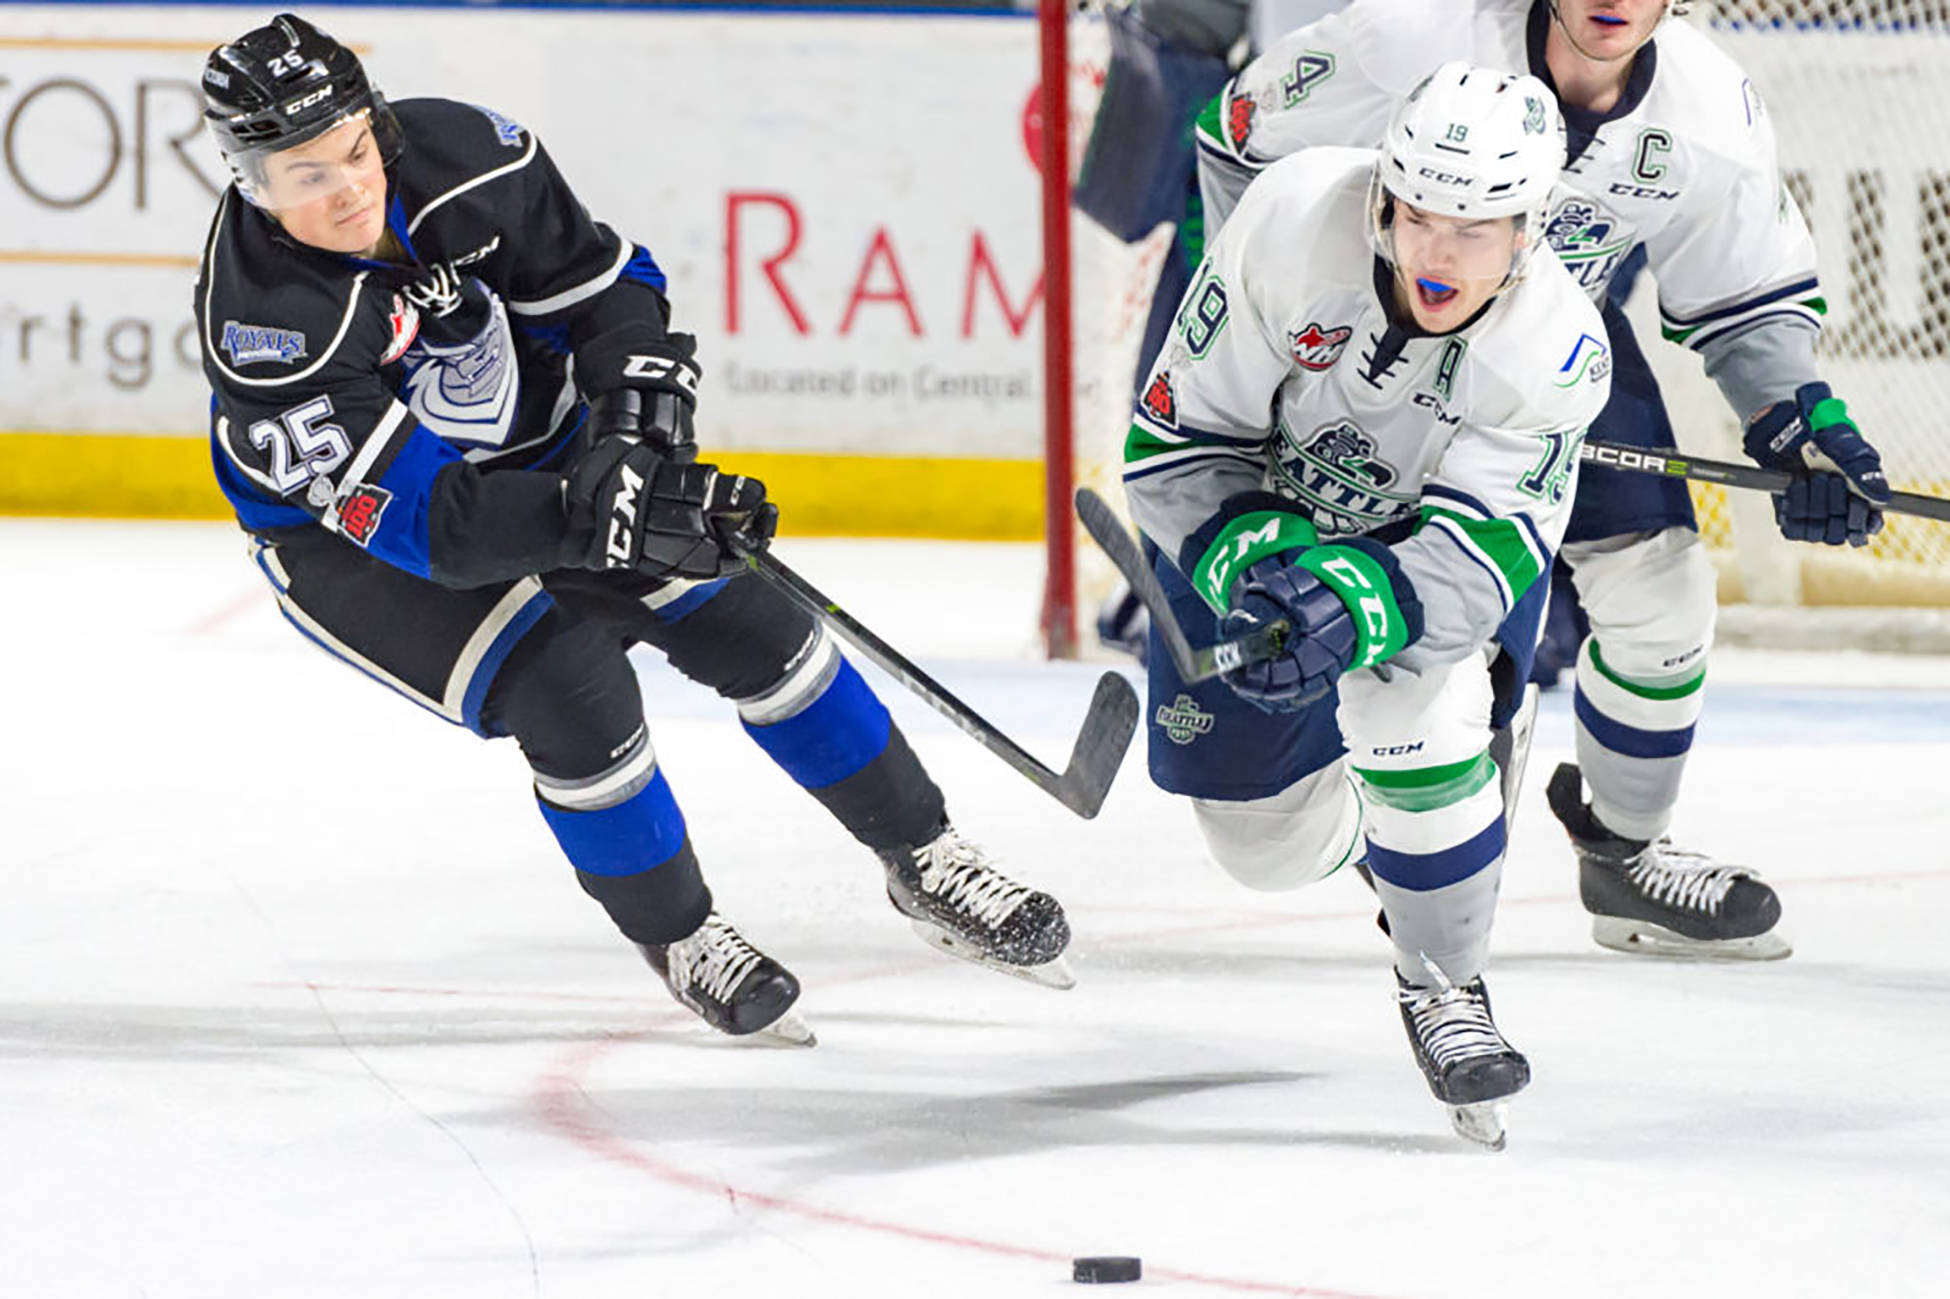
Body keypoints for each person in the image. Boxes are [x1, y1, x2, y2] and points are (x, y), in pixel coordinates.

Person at [193, 13, 1074, 1047]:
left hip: (532, 452)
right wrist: (601, 510)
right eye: (305, 176)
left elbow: (611, 296)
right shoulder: (270, 328)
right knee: (569, 688)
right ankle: (686, 938)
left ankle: (925, 859)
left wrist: (633, 438)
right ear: (251, 180)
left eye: (352, 150)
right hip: (359, 549)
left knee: (759, 629)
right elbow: (443, 528)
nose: (347, 189)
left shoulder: (467, 159)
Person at [1191, 0, 1893, 960]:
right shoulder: (1408, 38)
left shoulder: (1709, 112)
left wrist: (1799, 426)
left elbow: (1746, 296)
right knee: (1363, 636)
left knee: (1667, 594)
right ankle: (1394, 816)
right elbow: (1241, 132)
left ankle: (1623, 858)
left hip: (1547, 365)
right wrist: (1263, 338)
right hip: (1360, 354)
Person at [1123, 62, 1609, 1144]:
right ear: (1386, 195)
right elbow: (1172, 448)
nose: (1441, 251)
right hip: (1255, 514)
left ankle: (1445, 982)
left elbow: (1481, 553)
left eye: (1477, 229)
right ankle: (1396, 837)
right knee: (1259, 848)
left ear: (1529, 231)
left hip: (1417, 554)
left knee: (1413, 721)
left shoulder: (1558, 349)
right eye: (1422, 215)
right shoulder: (1294, 220)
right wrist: (1263, 560)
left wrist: (1357, 596)